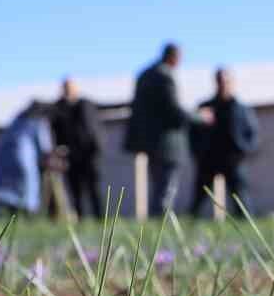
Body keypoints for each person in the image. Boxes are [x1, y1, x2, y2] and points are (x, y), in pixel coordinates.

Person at [123, 43, 208, 217]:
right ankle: (161, 222)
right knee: (166, 187)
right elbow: (174, 110)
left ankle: (157, 220)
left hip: (149, 141)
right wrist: (201, 117)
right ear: (174, 57)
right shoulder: (165, 76)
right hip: (167, 143)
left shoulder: (145, 74)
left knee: (159, 184)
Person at [191, 68, 260, 218]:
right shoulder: (206, 107)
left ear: (231, 83)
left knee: (241, 197)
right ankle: (189, 223)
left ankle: (246, 224)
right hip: (209, 159)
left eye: (226, 81)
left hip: (233, 160)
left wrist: (245, 151)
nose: (223, 85)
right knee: (198, 198)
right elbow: (192, 132)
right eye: (220, 81)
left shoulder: (241, 109)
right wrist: (197, 153)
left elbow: (252, 133)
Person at [48, 78, 103, 218]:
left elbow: (93, 129)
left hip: (89, 154)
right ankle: (81, 218)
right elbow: (55, 131)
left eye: (70, 87)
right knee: (75, 191)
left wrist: (96, 148)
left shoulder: (86, 105)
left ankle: (100, 218)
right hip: (71, 155)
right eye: (65, 87)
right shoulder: (59, 109)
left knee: (94, 189)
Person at [0, 101, 54, 216]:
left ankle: (12, 216)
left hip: (5, 158)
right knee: (27, 189)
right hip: (24, 160)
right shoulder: (38, 122)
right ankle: (27, 215)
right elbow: (44, 146)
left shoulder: (17, 120)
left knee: (11, 191)